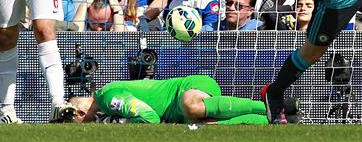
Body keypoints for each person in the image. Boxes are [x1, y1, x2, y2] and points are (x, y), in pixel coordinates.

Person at [69, 75, 276, 124]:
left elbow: (149, 117)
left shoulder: (108, 97)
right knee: (207, 128)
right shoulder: (107, 108)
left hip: (188, 88)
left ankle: (269, 105)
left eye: (74, 123)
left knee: (191, 107)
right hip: (179, 113)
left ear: (79, 113)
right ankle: (275, 120)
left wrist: (126, 125)